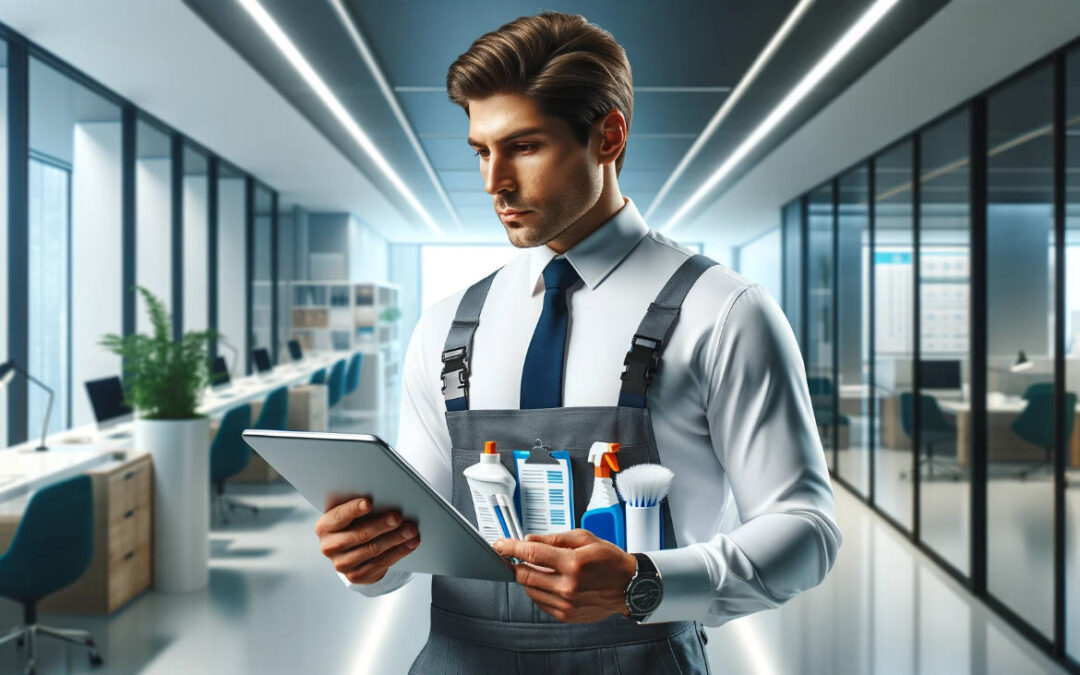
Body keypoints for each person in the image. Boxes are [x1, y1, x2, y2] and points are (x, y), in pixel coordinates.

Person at [315, 11, 842, 673]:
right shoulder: (448, 328)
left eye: (524, 146)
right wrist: (366, 560)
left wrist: (642, 579)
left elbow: (807, 530)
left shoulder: (724, 312)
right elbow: (411, 548)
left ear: (608, 136)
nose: (493, 181)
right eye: (481, 149)